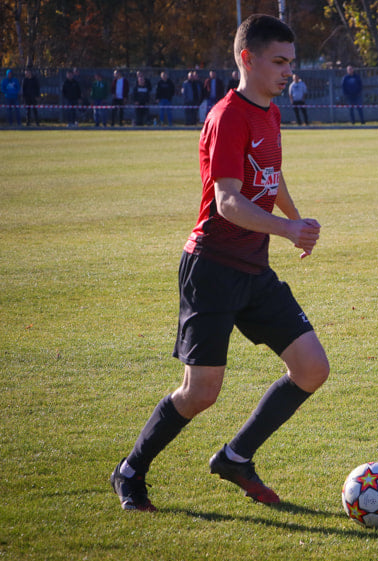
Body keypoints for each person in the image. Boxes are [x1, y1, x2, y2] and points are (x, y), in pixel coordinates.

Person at [110, 13, 328, 512]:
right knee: (201, 392)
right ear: (246, 59)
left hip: (253, 269)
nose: (288, 71)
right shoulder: (227, 116)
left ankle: (235, 457)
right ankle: (130, 470)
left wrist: (298, 219)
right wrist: (287, 229)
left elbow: (271, 174)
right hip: (211, 269)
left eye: (291, 62)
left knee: (312, 368)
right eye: (279, 61)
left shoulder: (270, 111)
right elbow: (228, 201)